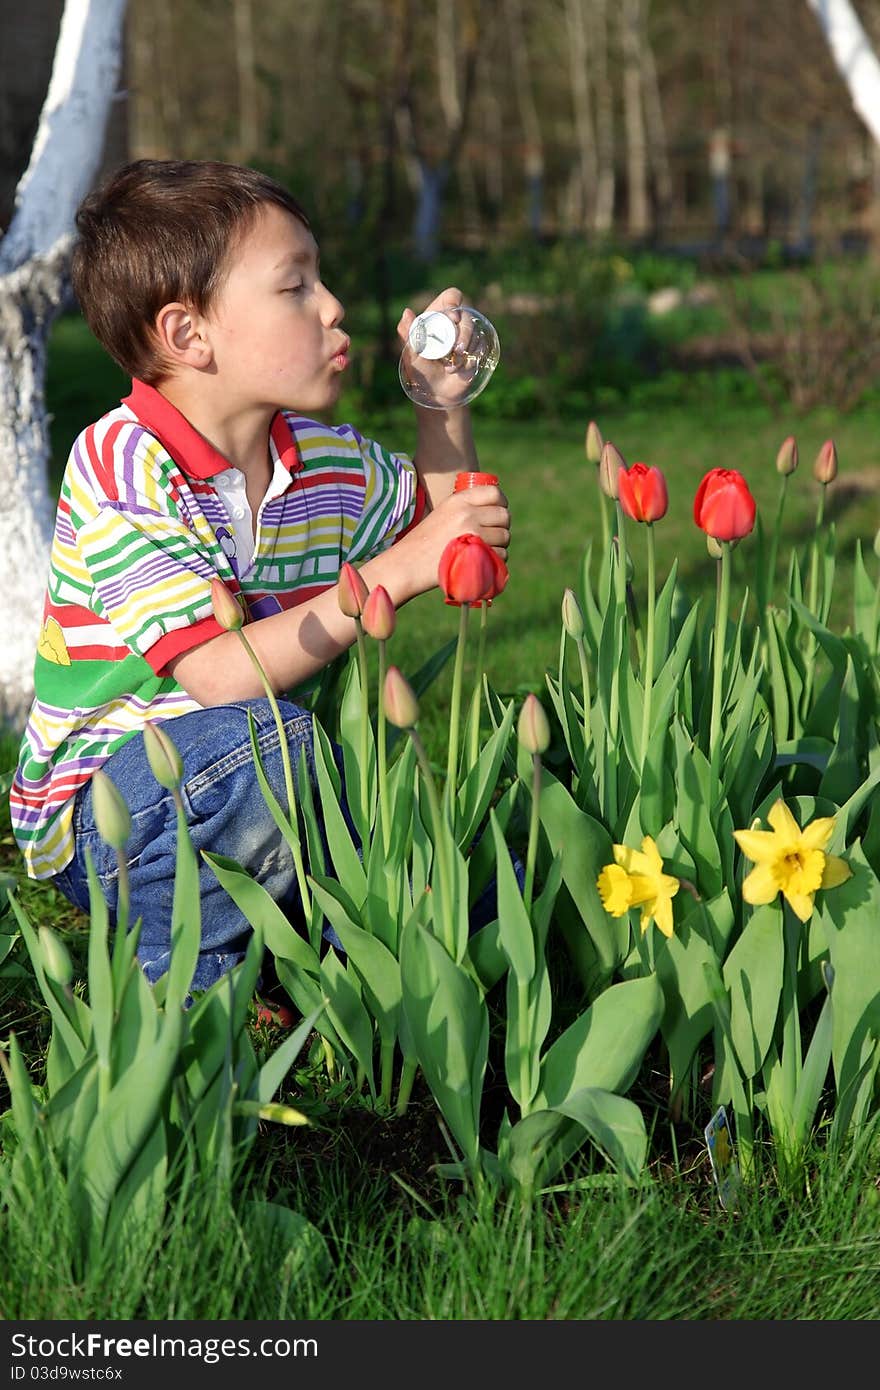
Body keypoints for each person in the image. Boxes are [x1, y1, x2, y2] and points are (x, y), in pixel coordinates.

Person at [9, 158, 510, 998]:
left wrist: (442, 407)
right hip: (108, 806)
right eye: (296, 287)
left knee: (484, 884)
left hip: (277, 777)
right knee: (264, 750)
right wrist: (398, 568)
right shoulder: (123, 462)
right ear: (187, 335)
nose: (334, 306)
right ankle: (185, 995)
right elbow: (215, 674)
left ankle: (328, 954)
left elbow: (455, 545)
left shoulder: (325, 463)